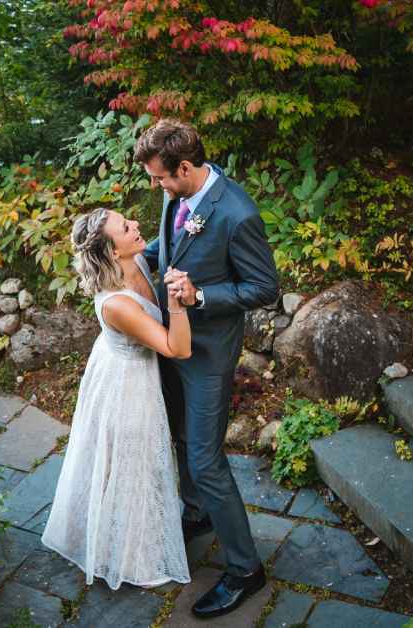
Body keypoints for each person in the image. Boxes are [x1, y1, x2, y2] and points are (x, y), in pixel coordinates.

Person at [136, 118, 279, 618]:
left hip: (208, 355)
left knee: (205, 460)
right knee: (178, 436)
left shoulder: (237, 215)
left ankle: (245, 569)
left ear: (187, 167)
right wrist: (123, 263)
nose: (156, 187)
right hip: (169, 342)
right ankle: (196, 515)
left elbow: (264, 288)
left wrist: (201, 296)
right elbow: (169, 248)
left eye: (160, 178)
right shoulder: (178, 195)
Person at [41, 207, 193, 590]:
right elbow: (177, 347)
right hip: (127, 384)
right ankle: (133, 559)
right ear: (112, 252)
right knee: (133, 462)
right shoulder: (117, 304)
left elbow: (164, 243)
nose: (136, 225)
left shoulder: (136, 258)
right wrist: (176, 301)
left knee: (134, 460)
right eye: (126, 227)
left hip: (126, 364)